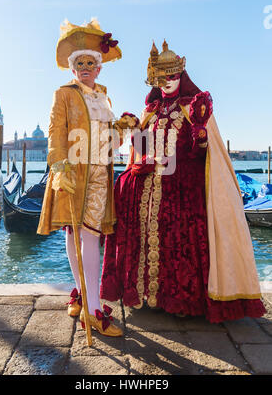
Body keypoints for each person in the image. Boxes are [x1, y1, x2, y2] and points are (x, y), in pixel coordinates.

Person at [100, 40, 266, 323]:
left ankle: (179, 299)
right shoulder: (150, 110)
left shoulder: (194, 106)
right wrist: (134, 134)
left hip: (183, 187)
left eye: (172, 76)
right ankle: (148, 295)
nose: (167, 82)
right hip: (151, 183)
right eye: (162, 77)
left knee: (177, 240)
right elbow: (141, 148)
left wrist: (200, 133)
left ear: (181, 75)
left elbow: (204, 152)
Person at [37, 18, 136, 336]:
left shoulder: (103, 96)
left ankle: (86, 301)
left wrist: (122, 128)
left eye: (90, 62)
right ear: (72, 67)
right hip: (71, 172)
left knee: (90, 236)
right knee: (72, 233)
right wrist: (59, 167)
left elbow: (110, 144)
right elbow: (56, 134)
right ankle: (90, 307)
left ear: (98, 67)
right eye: (79, 62)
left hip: (98, 176)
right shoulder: (63, 94)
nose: (84, 67)